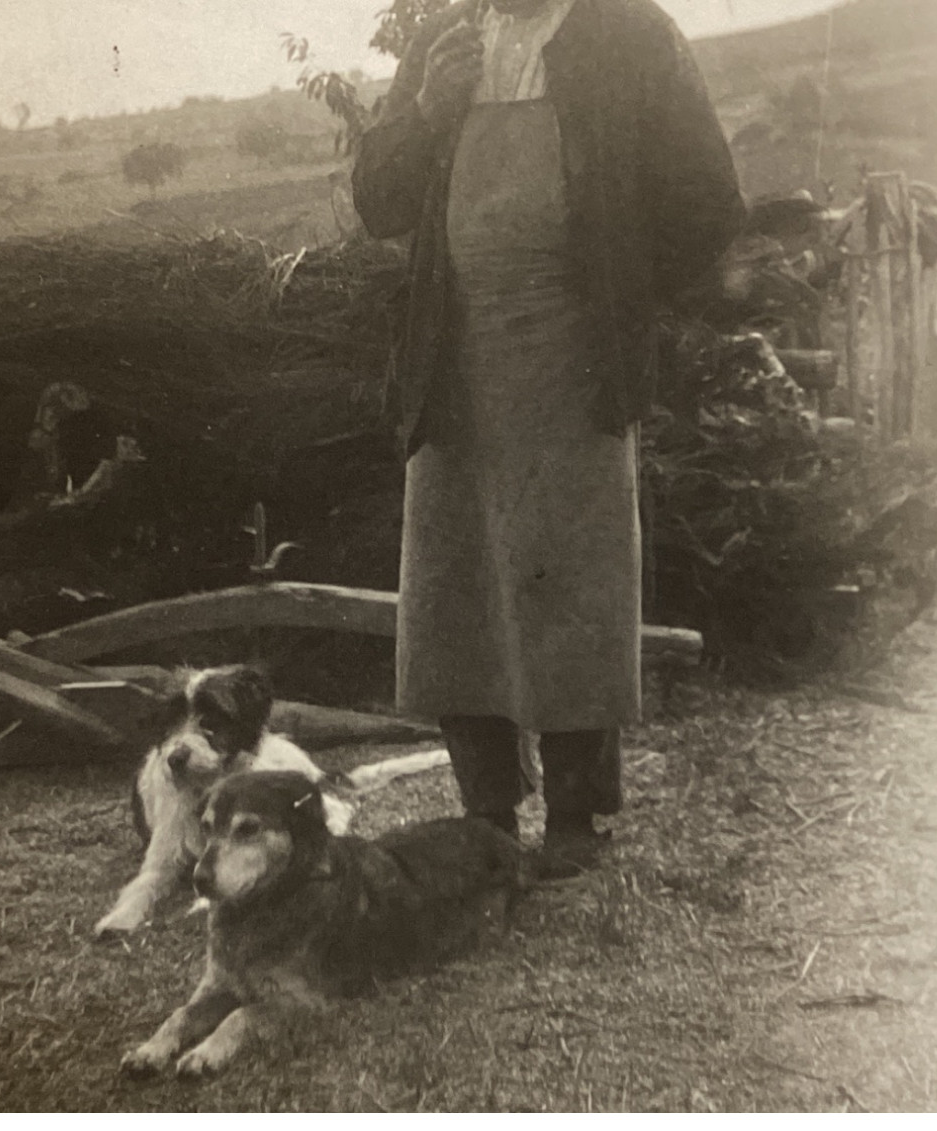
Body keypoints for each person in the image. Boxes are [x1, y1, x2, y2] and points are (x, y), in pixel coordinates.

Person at [352, 0, 744, 870]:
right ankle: (486, 814)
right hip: (453, 357)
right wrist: (425, 114)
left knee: (577, 578)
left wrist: (620, 293)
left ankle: (576, 818)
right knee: (458, 583)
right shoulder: (440, 44)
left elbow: (711, 202)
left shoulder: (627, 32)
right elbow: (377, 201)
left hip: (575, 355)